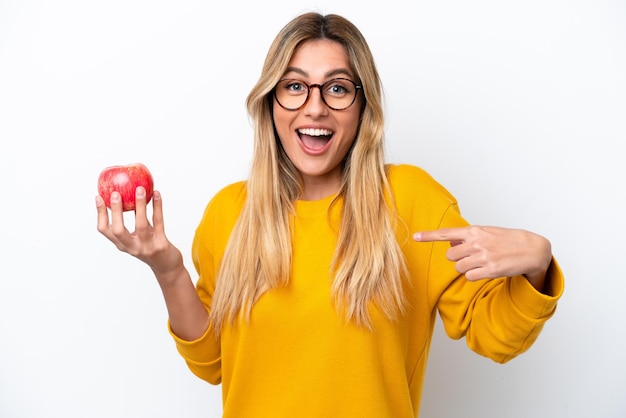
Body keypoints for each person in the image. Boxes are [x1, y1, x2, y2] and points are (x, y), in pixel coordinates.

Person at [96, 12, 564, 418]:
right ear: (270, 102)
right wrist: (169, 270)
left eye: (337, 88)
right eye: (295, 86)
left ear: (363, 106)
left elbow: (498, 337)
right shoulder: (228, 214)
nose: (315, 107)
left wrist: (537, 263)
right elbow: (215, 363)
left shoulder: (412, 200)